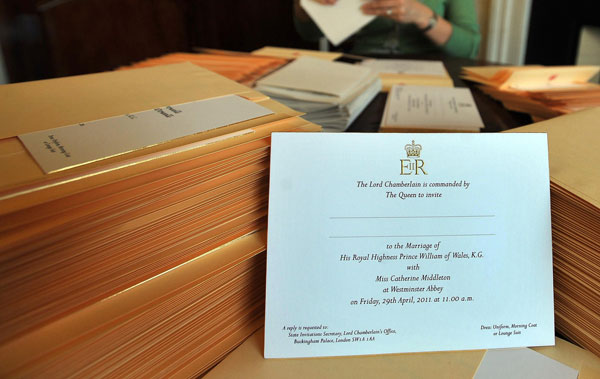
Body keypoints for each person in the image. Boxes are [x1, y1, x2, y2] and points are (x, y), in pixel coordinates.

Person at [293, 0, 480, 59]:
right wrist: (306, 7)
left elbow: (469, 48)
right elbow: (310, 34)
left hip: (432, 69)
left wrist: (423, 17)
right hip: (363, 63)